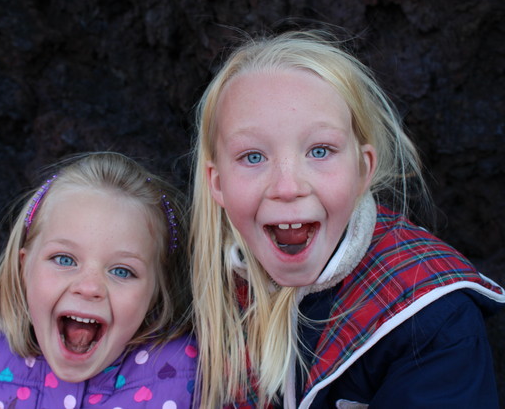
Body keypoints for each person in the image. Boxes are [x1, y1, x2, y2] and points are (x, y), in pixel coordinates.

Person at [189, 29, 505, 409]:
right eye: (253, 157)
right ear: (217, 184)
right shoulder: (189, 294)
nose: (287, 187)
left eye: (320, 151)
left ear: (362, 169)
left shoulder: (431, 317)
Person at [0, 152, 196, 408]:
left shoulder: (186, 379)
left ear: (156, 293)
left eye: (122, 271)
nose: (89, 287)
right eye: (65, 259)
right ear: (24, 266)